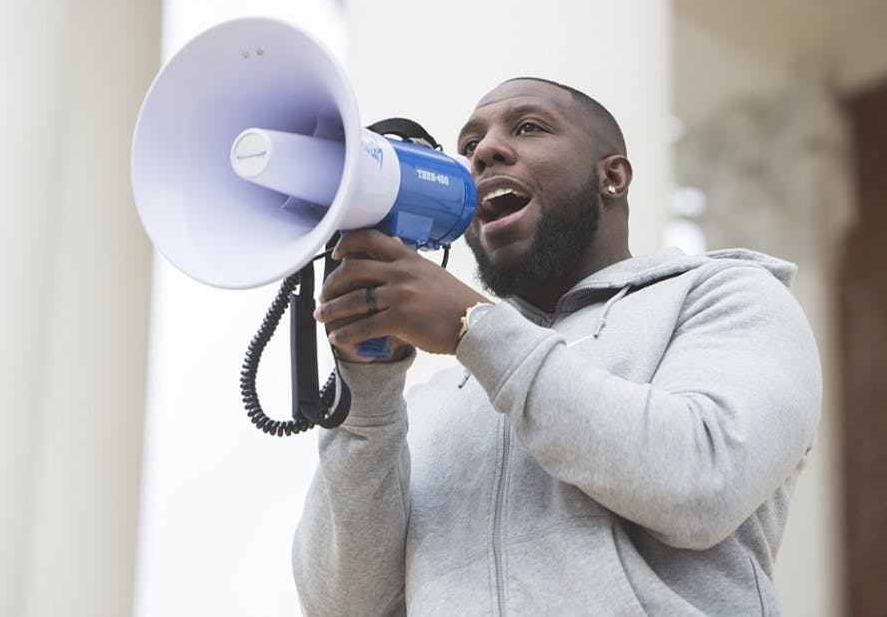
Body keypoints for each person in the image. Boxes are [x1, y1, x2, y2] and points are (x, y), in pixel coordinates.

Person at [292, 77, 822, 615]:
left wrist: (471, 327)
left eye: (528, 128)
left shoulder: (727, 297)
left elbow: (704, 484)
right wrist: (368, 397)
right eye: (469, 147)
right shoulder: (434, 399)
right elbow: (344, 603)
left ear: (611, 176)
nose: (485, 153)